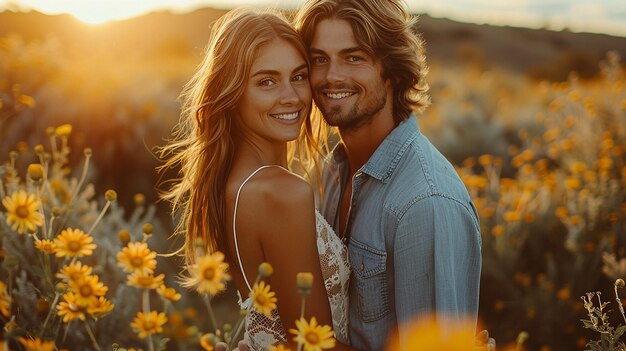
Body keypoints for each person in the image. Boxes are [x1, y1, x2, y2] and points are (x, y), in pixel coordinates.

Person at [159, 8, 353, 350]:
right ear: (232, 93)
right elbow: (316, 346)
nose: (292, 96)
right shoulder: (280, 192)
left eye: (298, 75)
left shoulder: (231, 183)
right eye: (267, 81)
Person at [293, 0, 483, 349]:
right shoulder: (330, 174)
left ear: (393, 70)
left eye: (354, 57)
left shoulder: (425, 205)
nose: (332, 75)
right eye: (319, 59)